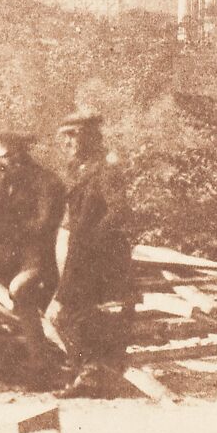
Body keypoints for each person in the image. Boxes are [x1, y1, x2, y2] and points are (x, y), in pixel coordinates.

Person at [48, 111, 136, 398]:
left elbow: (120, 209)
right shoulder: (81, 169)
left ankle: (90, 375)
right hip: (84, 255)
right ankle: (87, 372)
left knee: (65, 312)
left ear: (91, 136)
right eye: (65, 137)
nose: (68, 142)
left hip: (103, 260)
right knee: (65, 310)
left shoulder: (105, 170)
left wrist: (93, 240)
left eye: (74, 135)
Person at [0, 130, 67, 386]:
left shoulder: (48, 183)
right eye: (0, 161)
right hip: (12, 253)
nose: (3, 166)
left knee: (21, 289)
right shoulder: (8, 184)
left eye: (7, 160)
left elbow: (45, 226)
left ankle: (41, 363)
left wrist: (13, 230)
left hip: (41, 257)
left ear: (20, 157)